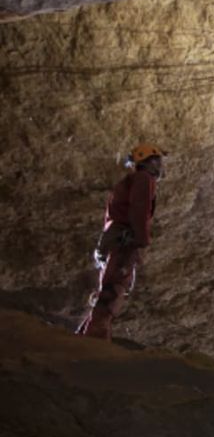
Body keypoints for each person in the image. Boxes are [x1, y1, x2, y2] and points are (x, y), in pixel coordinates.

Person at [77, 144, 166, 339]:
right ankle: (95, 339)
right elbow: (139, 211)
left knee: (109, 286)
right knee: (114, 288)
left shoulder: (128, 182)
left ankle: (84, 335)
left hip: (112, 238)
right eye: (158, 160)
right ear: (149, 162)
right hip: (123, 240)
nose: (161, 165)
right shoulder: (144, 179)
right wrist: (142, 242)